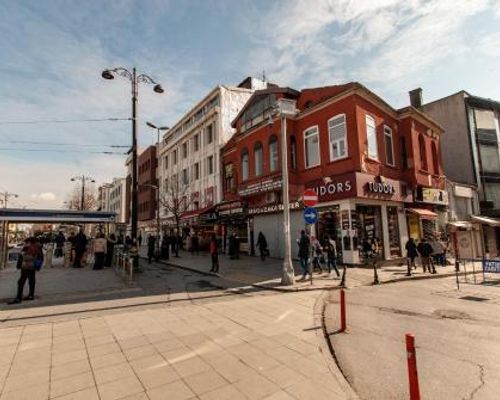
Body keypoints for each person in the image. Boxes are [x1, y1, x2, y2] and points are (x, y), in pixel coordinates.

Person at [8, 238, 42, 304]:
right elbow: (39, 256)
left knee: (21, 282)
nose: (25, 243)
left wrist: (18, 265)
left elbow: (22, 256)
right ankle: (31, 295)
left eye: (26, 242)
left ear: (29, 242)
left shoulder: (27, 247)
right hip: (33, 266)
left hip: (26, 266)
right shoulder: (37, 247)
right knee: (31, 281)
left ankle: (18, 298)